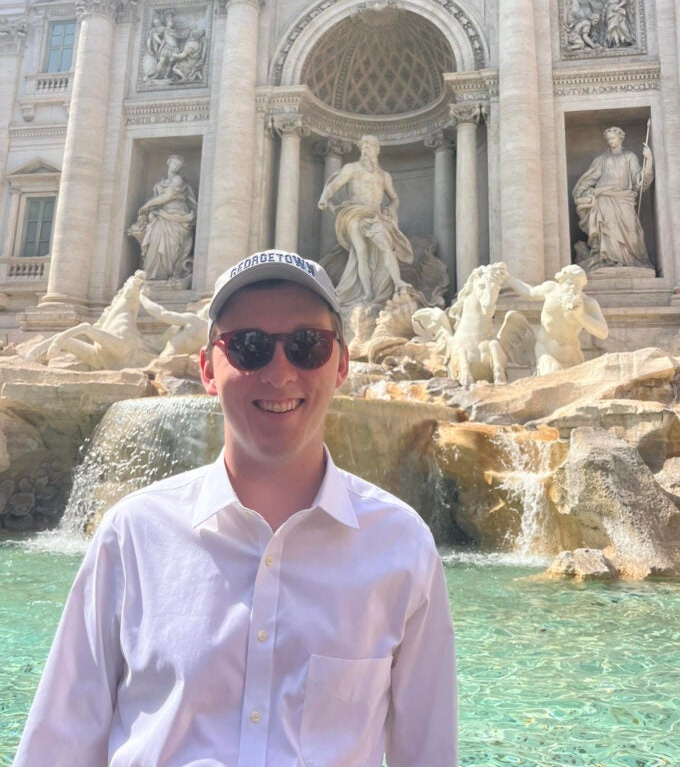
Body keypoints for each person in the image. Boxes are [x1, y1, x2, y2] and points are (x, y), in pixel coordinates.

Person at [13, 248, 457, 767]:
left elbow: (428, 753)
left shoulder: (402, 544)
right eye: (248, 347)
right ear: (207, 368)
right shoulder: (132, 534)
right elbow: (58, 745)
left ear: (340, 364)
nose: (279, 371)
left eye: (307, 345)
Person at [318, 135, 413, 306]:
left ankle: (398, 282)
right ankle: (367, 292)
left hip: (375, 215)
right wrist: (325, 197)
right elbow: (334, 185)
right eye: (364, 148)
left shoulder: (384, 176)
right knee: (360, 251)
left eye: (370, 148)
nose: (366, 151)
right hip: (354, 213)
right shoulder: (351, 169)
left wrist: (391, 209)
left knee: (386, 246)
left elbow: (394, 198)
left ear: (377, 150)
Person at [572, 127, 654, 270]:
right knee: (607, 228)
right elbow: (589, 178)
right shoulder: (602, 159)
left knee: (631, 230)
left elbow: (638, 180)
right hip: (604, 198)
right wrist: (582, 192)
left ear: (620, 138)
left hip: (624, 198)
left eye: (613, 138)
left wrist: (649, 161)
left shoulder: (630, 157)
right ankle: (608, 259)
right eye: (608, 139)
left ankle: (631, 260)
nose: (610, 141)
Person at [506, 264, 609, 375]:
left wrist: (581, 316)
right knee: (551, 374)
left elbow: (603, 333)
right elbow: (529, 292)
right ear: (561, 281)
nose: (573, 288)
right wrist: (507, 277)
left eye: (578, 286)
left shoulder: (588, 303)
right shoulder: (550, 289)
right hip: (546, 350)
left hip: (572, 355)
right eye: (570, 284)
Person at [128, 154, 197, 284]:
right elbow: (157, 198)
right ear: (168, 163)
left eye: (179, 165)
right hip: (160, 216)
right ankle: (153, 274)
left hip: (177, 217)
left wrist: (148, 205)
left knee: (172, 246)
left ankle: (167, 275)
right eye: (174, 164)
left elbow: (168, 196)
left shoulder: (179, 180)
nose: (176, 167)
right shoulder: (160, 183)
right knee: (154, 241)